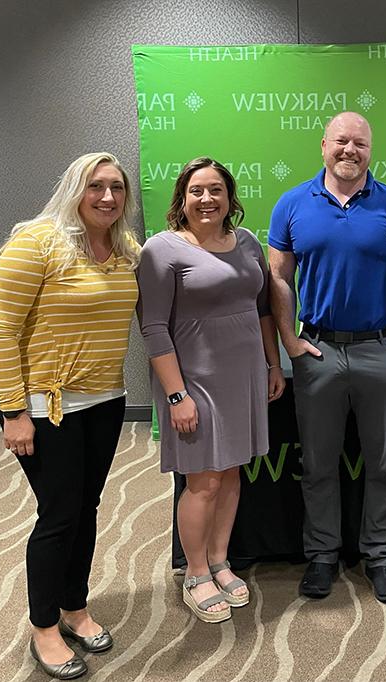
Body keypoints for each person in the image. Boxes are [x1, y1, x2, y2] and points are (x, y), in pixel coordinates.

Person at [0, 152, 140, 679]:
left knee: (87, 506)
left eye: (117, 188)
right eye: (95, 186)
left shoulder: (123, 249)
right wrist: (11, 412)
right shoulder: (36, 242)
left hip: (105, 402)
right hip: (45, 408)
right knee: (59, 514)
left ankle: (75, 605)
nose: (107, 197)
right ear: (73, 187)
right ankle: (44, 625)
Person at [269, 111, 386, 604]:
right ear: (324, 146)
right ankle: (322, 555)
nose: (349, 150)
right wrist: (290, 343)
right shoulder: (292, 205)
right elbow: (278, 280)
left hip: (382, 348)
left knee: (383, 463)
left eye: (359, 142)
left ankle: (380, 555)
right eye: (341, 141)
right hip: (318, 351)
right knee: (317, 462)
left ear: (370, 150)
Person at [137, 158, 285, 623]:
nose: (207, 199)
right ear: (182, 198)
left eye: (216, 190)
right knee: (203, 480)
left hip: (243, 376)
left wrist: (272, 363)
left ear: (229, 197)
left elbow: (262, 308)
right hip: (194, 382)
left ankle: (219, 560)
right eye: (197, 191)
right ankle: (196, 572)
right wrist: (177, 396)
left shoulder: (246, 243)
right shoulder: (161, 250)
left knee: (232, 472)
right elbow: (154, 328)